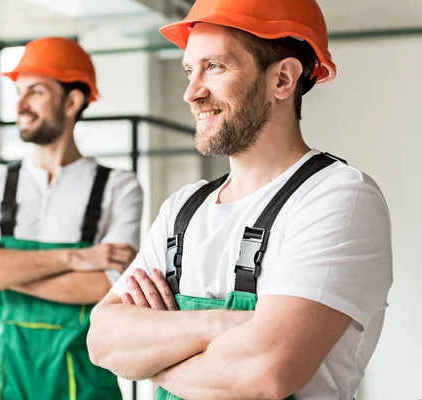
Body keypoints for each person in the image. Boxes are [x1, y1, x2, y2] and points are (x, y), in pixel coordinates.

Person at [87, 1, 392, 399]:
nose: (192, 92)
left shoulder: (337, 198)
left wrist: (151, 359)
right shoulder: (183, 208)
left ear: (282, 79)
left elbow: (264, 374)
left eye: (214, 66)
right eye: (189, 70)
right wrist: (220, 325)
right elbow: (102, 341)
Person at [0, 36, 143, 400]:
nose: (20, 104)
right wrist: (75, 259)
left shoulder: (118, 187)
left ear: (73, 101)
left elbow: (106, 287)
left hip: (82, 385)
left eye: (35, 91)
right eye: (18, 91)